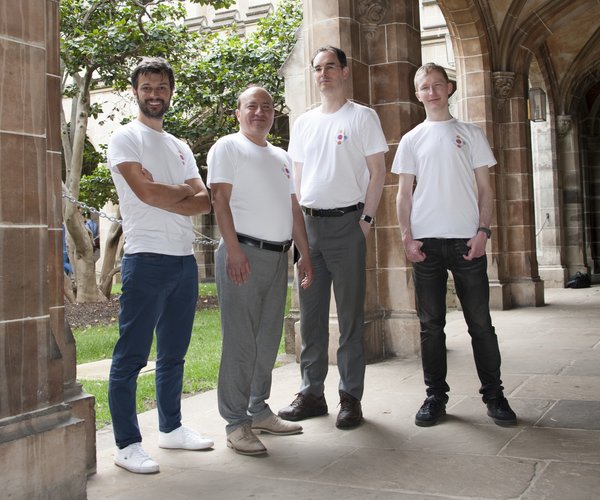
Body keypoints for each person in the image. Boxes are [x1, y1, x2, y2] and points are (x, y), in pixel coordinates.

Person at [392, 62, 517, 427]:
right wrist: (407, 238)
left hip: (467, 242)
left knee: (480, 324)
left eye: (436, 85)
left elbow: (485, 189)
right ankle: (435, 397)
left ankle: (494, 396)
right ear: (417, 95)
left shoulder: (471, 133)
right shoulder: (412, 139)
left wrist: (483, 232)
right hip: (426, 244)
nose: (431, 92)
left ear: (448, 88)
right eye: (423, 87)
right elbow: (403, 195)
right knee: (431, 326)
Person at [106, 57, 214, 474]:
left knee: (174, 354)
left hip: (183, 262)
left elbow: (203, 200)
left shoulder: (179, 145)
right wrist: (177, 194)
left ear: (170, 92)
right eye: (147, 87)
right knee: (130, 357)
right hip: (145, 259)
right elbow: (145, 193)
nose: (155, 94)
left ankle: (170, 428)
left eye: (161, 87)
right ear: (136, 92)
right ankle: (127, 444)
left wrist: (168, 192)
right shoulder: (125, 138)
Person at [278, 46, 388, 429]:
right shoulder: (305, 122)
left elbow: (378, 171)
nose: (323, 73)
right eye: (318, 68)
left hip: (347, 225)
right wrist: (297, 229)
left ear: (344, 71)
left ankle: (350, 397)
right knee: (309, 318)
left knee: (351, 319)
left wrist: (366, 221)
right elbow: (297, 178)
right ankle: (311, 394)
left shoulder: (362, 117)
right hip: (309, 229)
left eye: (330, 67)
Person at [207, 86, 313, 455]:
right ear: (238, 113)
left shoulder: (281, 156)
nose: (260, 112)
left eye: (266, 107)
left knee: (267, 340)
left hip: (277, 256)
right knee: (240, 341)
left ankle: (258, 409)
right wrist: (233, 250)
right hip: (243, 254)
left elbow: (293, 208)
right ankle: (236, 423)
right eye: (252, 106)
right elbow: (219, 198)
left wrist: (305, 254)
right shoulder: (228, 147)